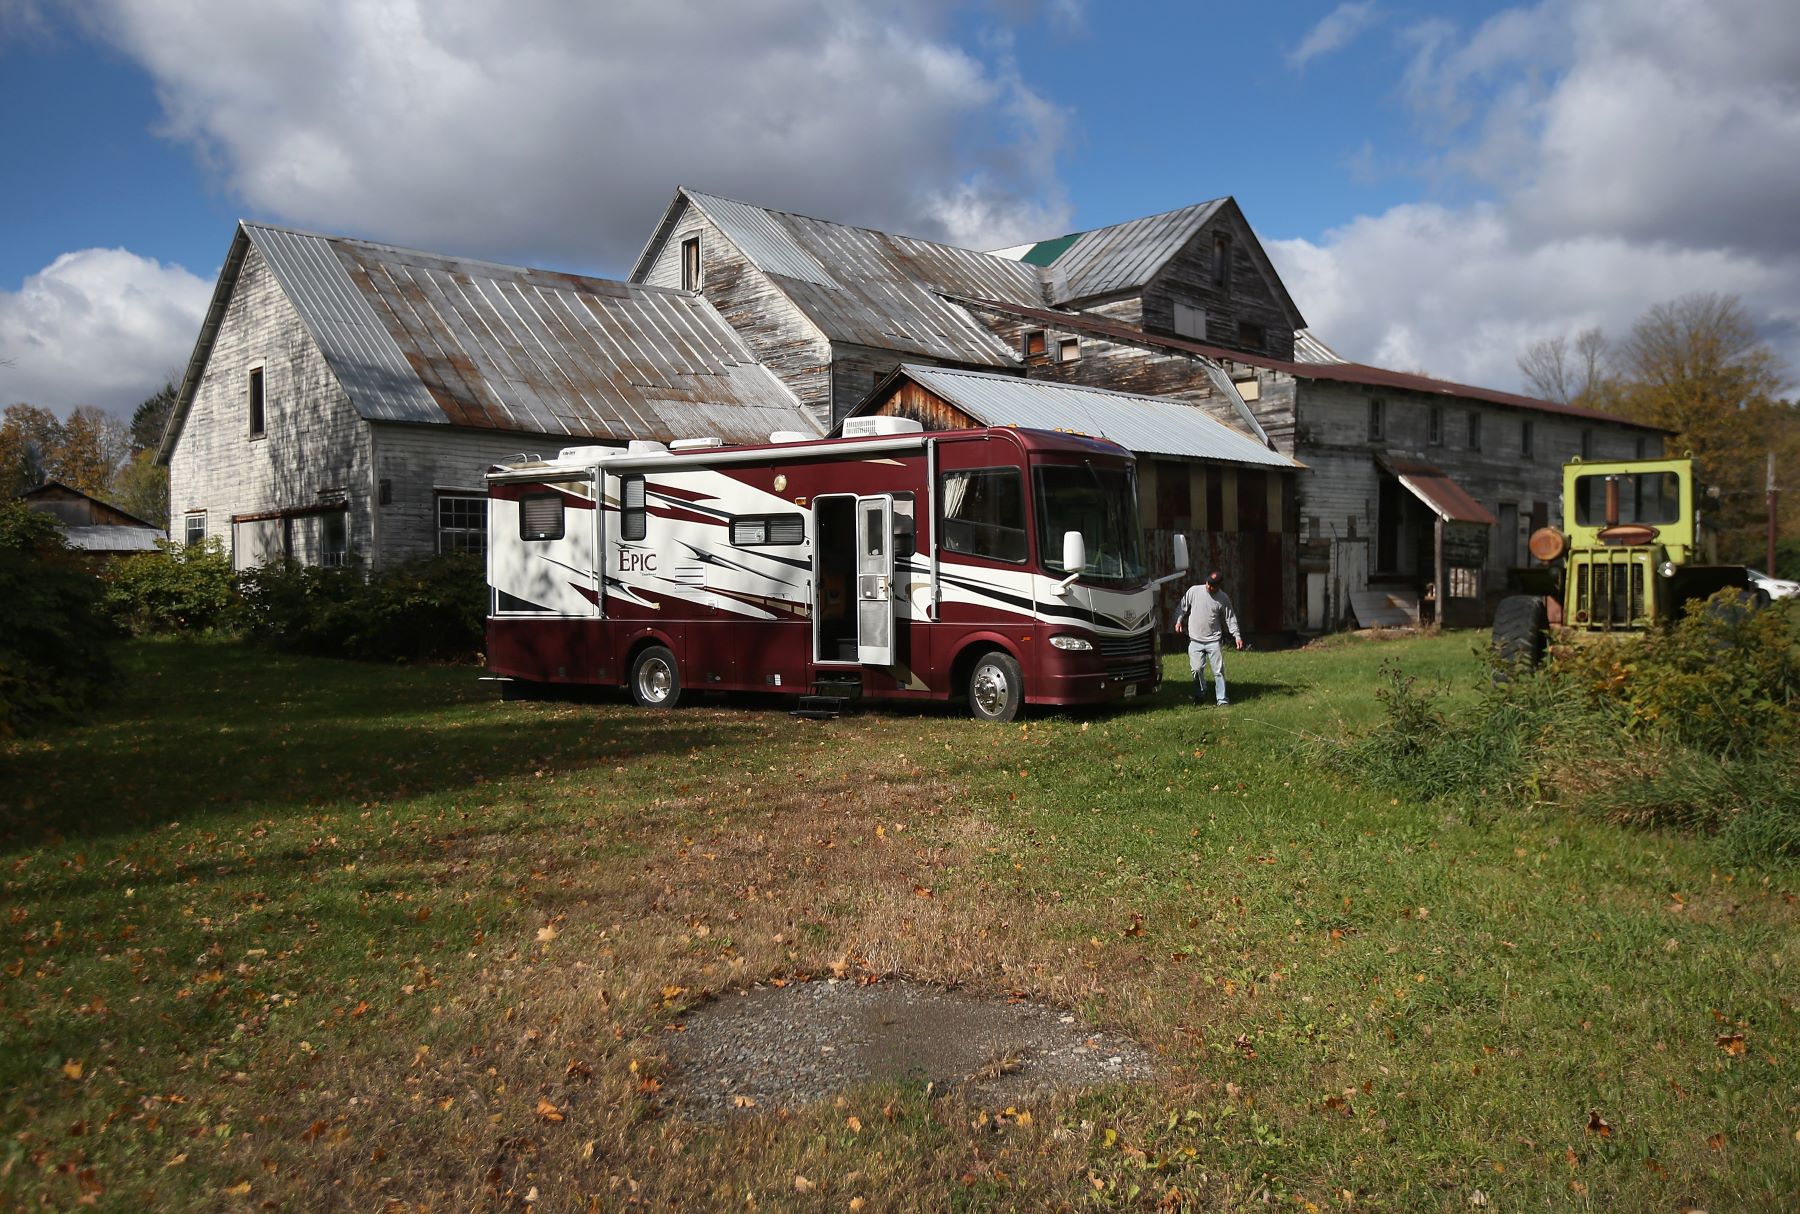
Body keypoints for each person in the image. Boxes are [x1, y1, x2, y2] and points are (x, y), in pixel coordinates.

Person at [1173, 569, 1244, 706]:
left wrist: (1237, 636)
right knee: (1196, 669)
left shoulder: (1223, 598)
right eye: (1207, 583)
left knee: (1218, 671)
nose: (1208, 587)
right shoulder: (1194, 591)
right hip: (1195, 640)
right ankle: (1200, 692)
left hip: (1213, 641)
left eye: (1212, 585)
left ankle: (1222, 699)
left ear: (1218, 585)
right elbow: (1182, 607)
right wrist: (1178, 621)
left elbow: (1230, 618)